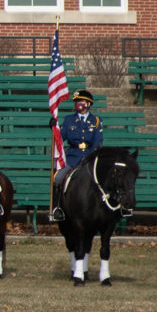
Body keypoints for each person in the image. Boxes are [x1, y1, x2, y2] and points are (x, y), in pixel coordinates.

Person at [50, 89, 105, 224]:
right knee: (57, 178)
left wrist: (89, 156)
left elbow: (98, 142)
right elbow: (60, 139)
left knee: (106, 179)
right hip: (72, 157)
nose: (78, 104)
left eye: (80, 101)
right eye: (76, 102)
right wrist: (54, 128)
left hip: (90, 157)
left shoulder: (96, 121)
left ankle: (111, 209)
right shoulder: (69, 120)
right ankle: (57, 209)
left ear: (88, 103)